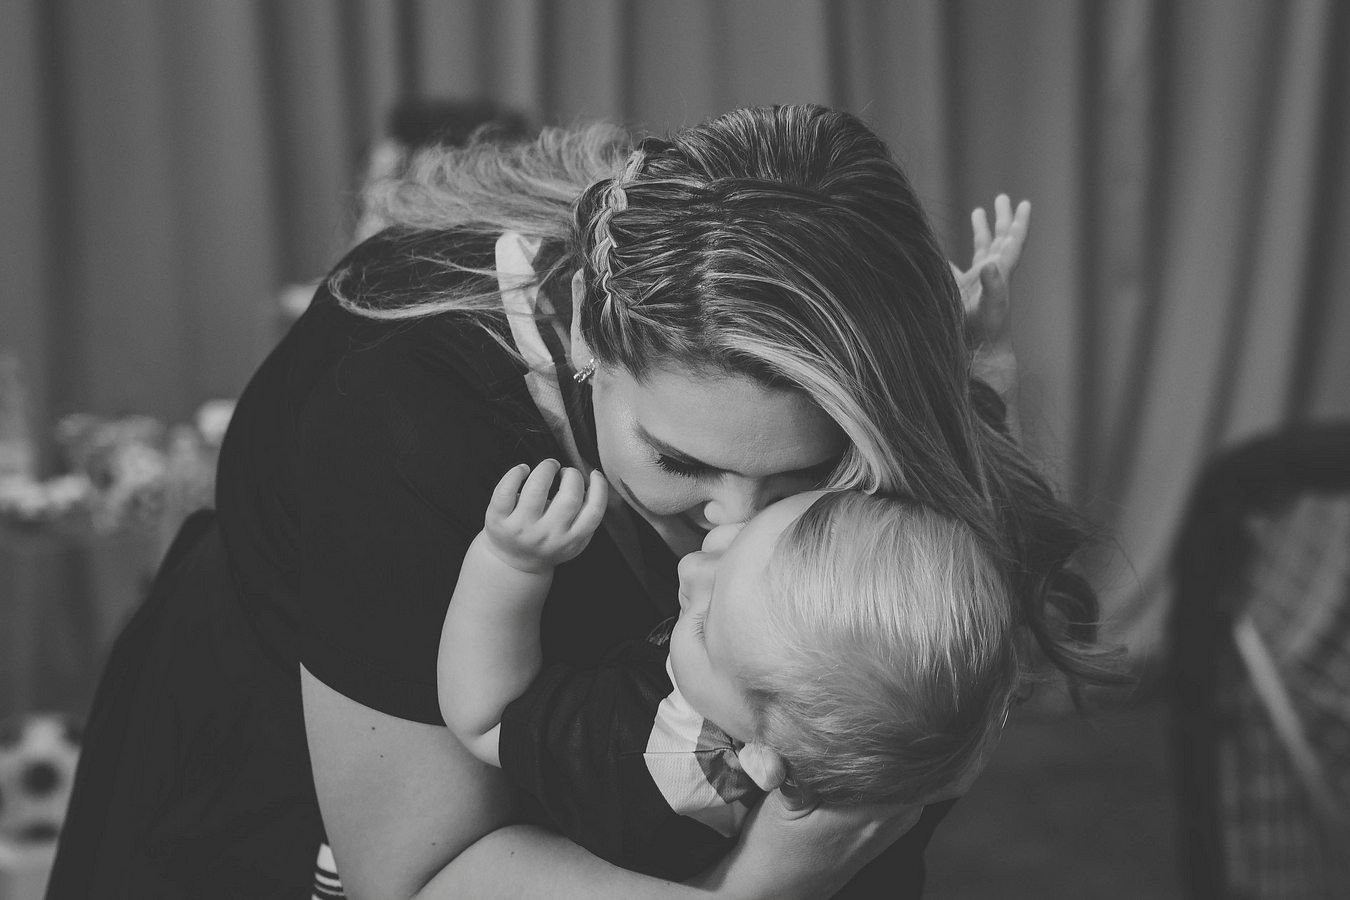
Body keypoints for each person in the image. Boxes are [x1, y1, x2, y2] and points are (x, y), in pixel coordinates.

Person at [48, 104, 1112, 899]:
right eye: (680, 461)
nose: (735, 525)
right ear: (589, 346)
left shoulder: (875, 411)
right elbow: (414, 872)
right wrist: (759, 888)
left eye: (802, 477)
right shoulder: (400, 414)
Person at [437, 463, 1018, 882]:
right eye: (741, 541)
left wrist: (511, 564)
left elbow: (488, 721)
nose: (694, 566)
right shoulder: (879, 729)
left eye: (702, 622)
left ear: (761, 758)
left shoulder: (647, 755)